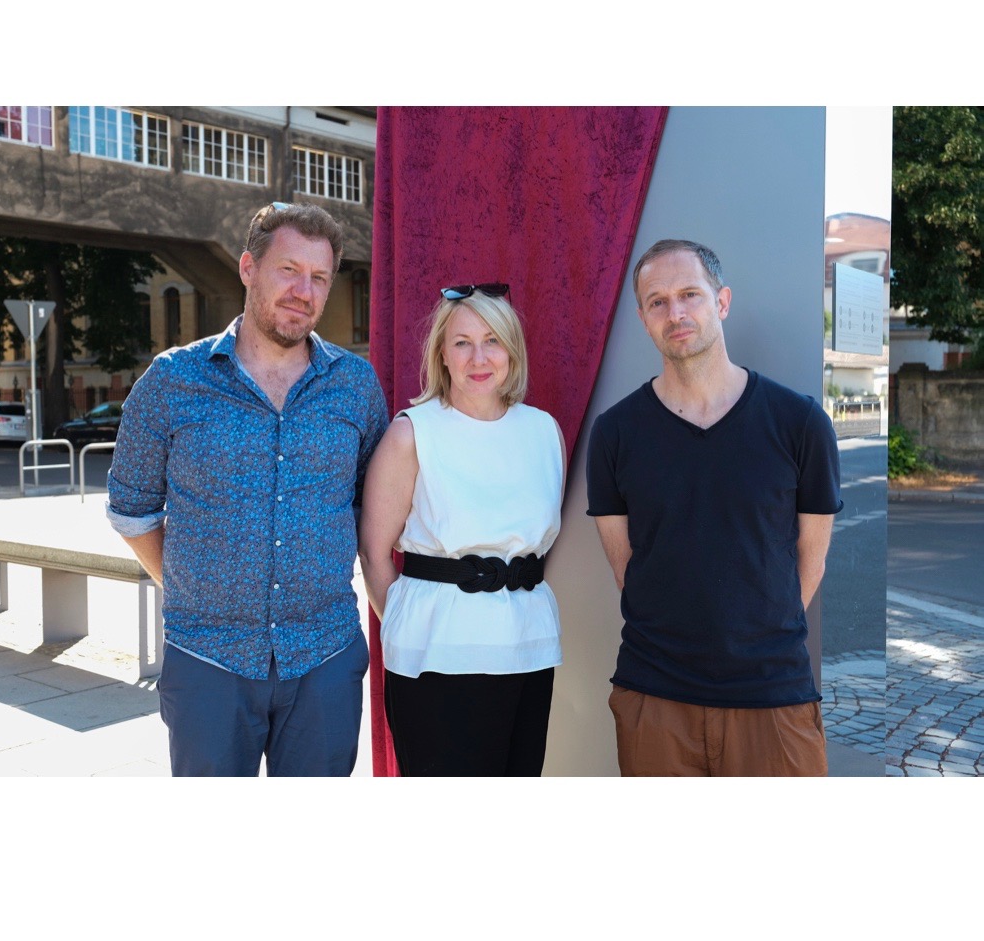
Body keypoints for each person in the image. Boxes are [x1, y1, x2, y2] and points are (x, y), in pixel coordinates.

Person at [106, 202, 389, 777]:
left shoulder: (356, 386)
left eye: (318, 278)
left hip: (325, 658)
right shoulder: (172, 380)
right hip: (208, 660)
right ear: (247, 268)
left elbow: (373, 509)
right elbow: (131, 509)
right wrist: (196, 586)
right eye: (288, 270)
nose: (303, 291)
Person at [586, 239, 842, 777]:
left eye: (689, 295)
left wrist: (754, 635)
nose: (675, 312)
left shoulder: (801, 425)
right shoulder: (614, 434)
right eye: (657, 301)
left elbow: (811, 561)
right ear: (642, 318)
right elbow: (626, 567)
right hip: (655, 695)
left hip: (774, 694)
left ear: (721, 302)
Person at [358, 283, 566, 776]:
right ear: (442, 355)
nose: (479, 357)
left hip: (528, 650)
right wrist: (415, 622)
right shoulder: (412, 433)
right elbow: (373, 552)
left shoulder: (543, 431)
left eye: (493, 340)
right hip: (438, 656)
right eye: (462, 342)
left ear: (512, 351)